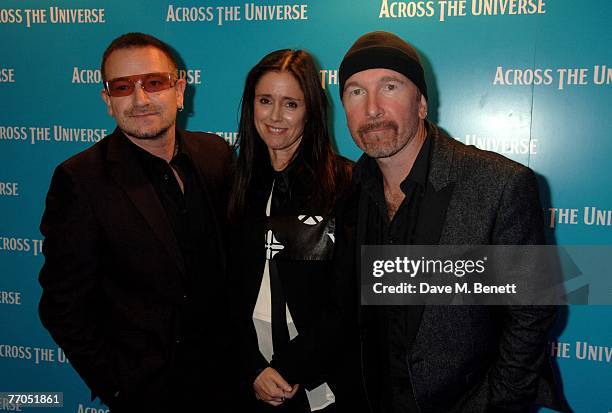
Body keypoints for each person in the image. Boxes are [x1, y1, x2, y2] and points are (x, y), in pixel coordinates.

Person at [280, 31, 569, 413]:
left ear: (421, 103)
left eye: (390, 86)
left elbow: (532, 312)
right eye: (355, 92)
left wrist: (494, 404)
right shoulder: (348, 191)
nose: (372, 109)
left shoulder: (499, 184)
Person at [38, 32, 232, 412]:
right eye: (123, 87)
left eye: (154, 83)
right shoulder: (80, 180)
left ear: (179, 91)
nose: (140, 100)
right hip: (151, 394)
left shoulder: (217, 154)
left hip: (231, 381)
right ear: (108, 101)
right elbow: (62, 307)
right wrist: (120, 388)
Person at [228, 49, 352, 412]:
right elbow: (226, 291)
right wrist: (253, 368)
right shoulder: (237, 183)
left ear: (311, 110)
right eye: (265, 100)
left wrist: (288, 367)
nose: (275, 116)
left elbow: (345, 301)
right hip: (250, 375)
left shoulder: (345, 184)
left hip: (318, 379)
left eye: (291, 104)